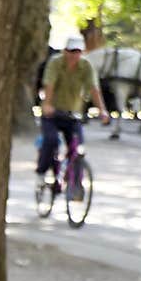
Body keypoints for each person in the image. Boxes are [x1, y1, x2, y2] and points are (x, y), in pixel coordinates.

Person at [36, 35, 110, 198]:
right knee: (51, 141)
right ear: (65, 51)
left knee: (78, 148)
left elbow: (94, 89)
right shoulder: (55, 63)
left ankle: (75, 184)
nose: (73, 55)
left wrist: (102, 110)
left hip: (72, 115)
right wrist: (47, 104)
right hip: (53, 114)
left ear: (81, 53)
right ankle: (41, 174)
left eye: (77, 52)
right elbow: (49, 84)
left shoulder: (86, 66)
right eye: (70, 51)